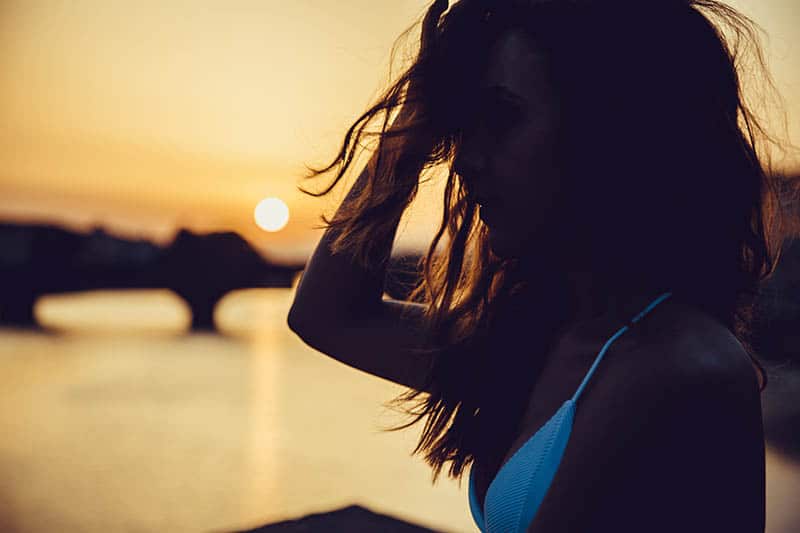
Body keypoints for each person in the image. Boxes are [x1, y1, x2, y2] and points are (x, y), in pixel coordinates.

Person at [287, 0, 794, 531]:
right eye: (466, 124)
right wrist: (414, 124)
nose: (464, 159)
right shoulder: (551, 335)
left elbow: (328, 317)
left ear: (606, 133)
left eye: (502, 119)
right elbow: (326, 315)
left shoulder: (676, 367)